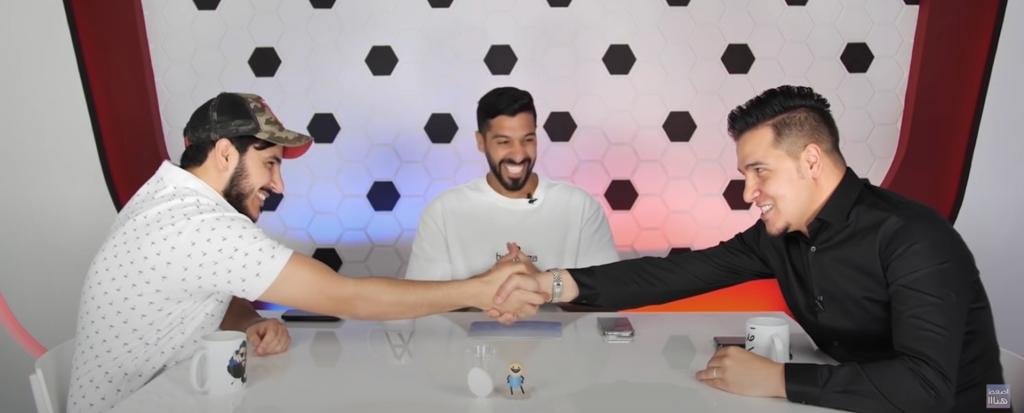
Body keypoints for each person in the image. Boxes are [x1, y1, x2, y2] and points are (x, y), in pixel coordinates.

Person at [492, 85, 1004, 412]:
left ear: (810, 161)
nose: (747, 192)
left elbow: (926, 386)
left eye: (760, 171)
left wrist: (779, 379)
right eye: (745, 173)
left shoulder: (913, 236)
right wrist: (553, 284)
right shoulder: (778, 237)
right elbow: (678, 273)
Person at [68, 92, 544, 412]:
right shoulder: (201, 226)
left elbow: (199, 291)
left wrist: (248, 320)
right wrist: (482, 291)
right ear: (226, 154)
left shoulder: (167, 199)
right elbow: (349, 298)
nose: (278, 185)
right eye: (270, 163)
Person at [406, 87, 618, 284]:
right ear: (481, 142)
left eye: (527, 140)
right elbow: (422, 302)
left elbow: (608, 294)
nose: (518, 154)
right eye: (504, 142)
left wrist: (541, 283)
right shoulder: (443, 211)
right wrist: (487, 284)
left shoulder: (580, 207)